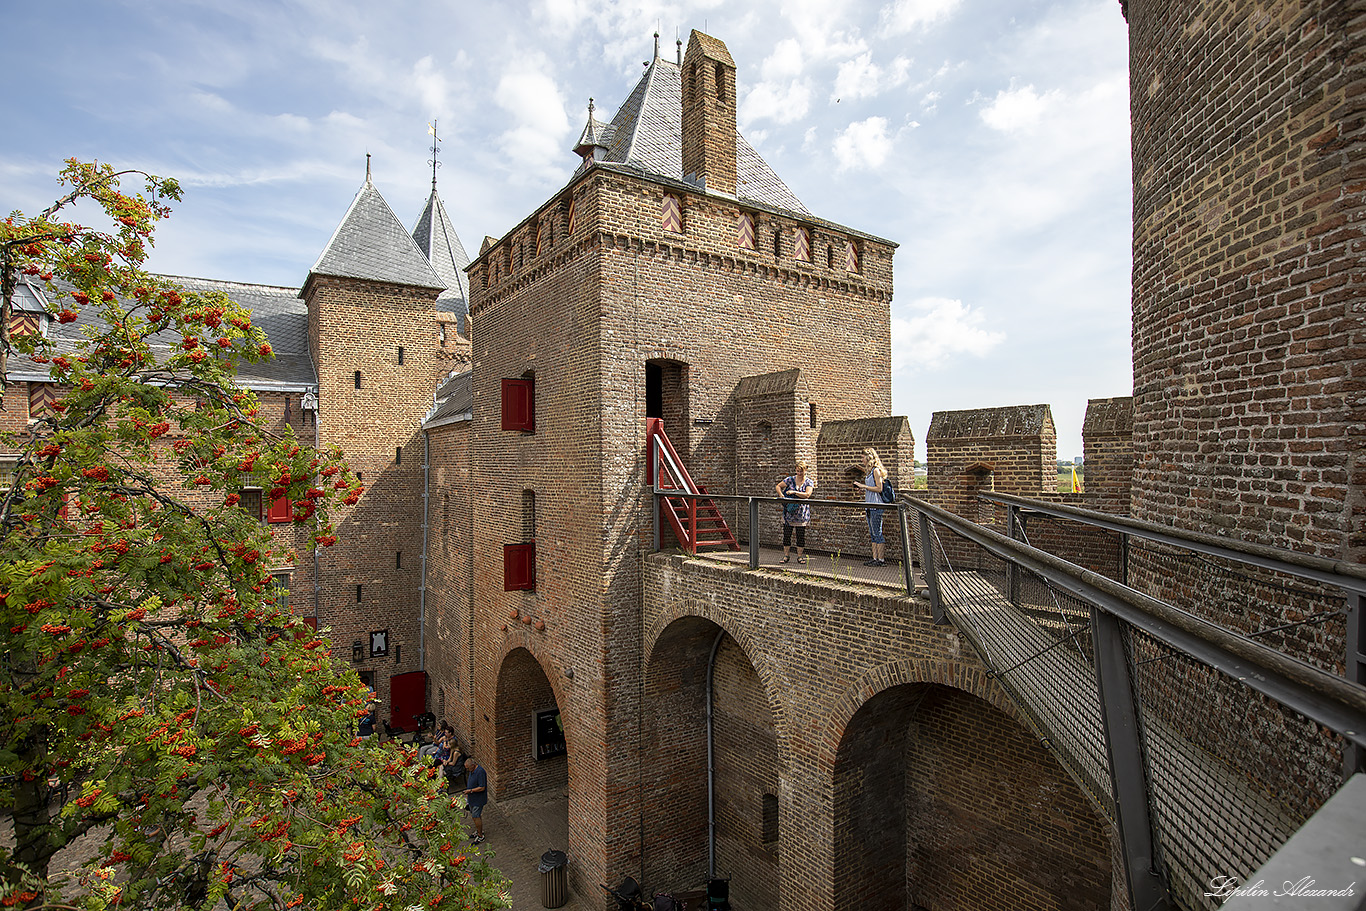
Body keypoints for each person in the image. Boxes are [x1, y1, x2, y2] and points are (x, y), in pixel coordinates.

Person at [852, 447, 888, 566]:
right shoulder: (869, 472)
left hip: (876, 506)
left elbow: (879, 488)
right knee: (872, 533)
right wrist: (863, 490)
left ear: (868, 457)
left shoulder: (876, 471)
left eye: (863, 457)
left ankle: (881, 559)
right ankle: (875, 557)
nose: (862, 460)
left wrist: (863, 486)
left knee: (877, 532)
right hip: (869, 505)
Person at [774, 460, 815, 564]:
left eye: (801, 471)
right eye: (797, 471)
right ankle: (786, 555)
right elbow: (778, 486)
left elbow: (807, 495)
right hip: (789, 513)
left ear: (805, 471)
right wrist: (781, 496)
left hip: (801, 513)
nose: (799, 473)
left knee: (800, 535)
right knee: (787, 534)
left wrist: (795, 492)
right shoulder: (790, 479)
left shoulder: (809, 482)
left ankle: (800, 556)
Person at [463, 758, 488, 844]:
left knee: (475, 816)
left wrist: (470, 791)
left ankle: (480, 835)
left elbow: (482, 787)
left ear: (473, 766)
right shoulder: (471, 771)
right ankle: (478, 831)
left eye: (468, 768)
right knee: (475, 816)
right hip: (472, 798)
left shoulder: (480, 772)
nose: (467, 770)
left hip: (478, 799)